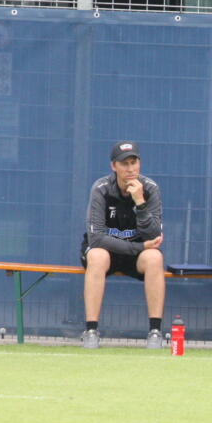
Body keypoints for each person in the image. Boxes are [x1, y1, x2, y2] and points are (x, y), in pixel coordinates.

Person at [80, 141, 165, 349]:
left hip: (137, 255)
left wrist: (140, 203)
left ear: (139, 164)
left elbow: (154, 236)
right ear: (113, 166)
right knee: (97, 255)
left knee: (155, 258)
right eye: (124, 164)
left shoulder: (150, 189)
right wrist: (139, 248)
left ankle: (155, 332)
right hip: (108, 252)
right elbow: (97, 238)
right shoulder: (101, 189)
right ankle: (91, 331)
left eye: (133, 163)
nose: (130, 169)